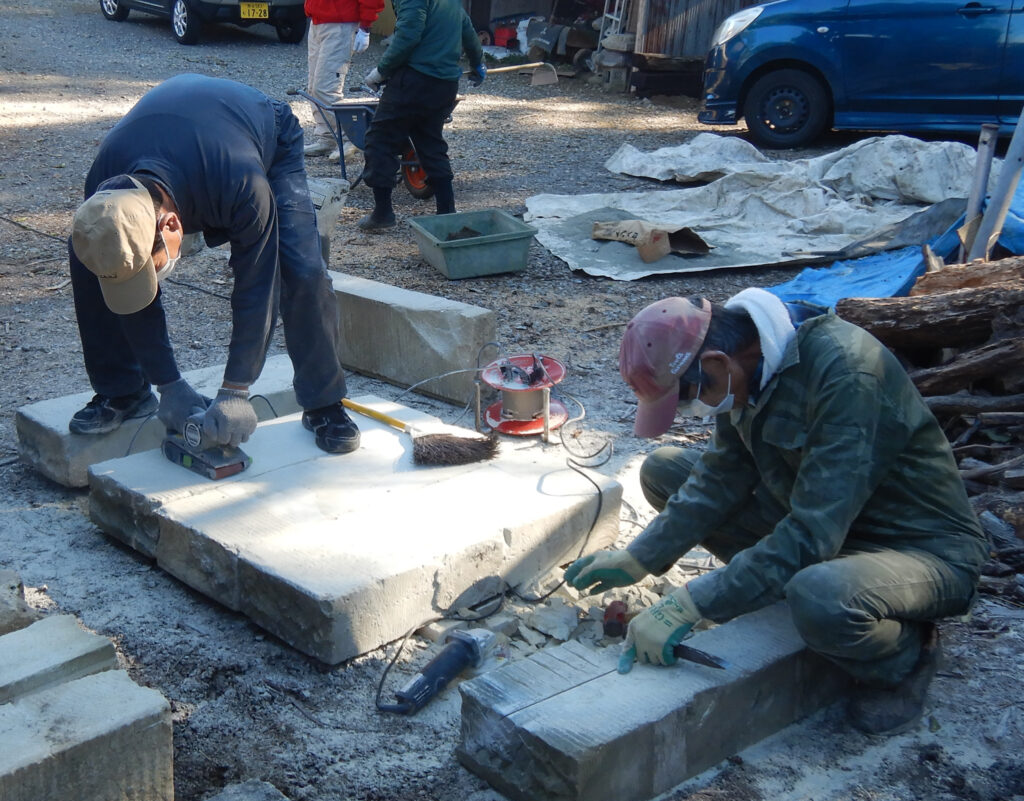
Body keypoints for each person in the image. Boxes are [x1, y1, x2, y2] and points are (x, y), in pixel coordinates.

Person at [565, 289, 988, 735]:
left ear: (717, 363)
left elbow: (812, 533)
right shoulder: (745, 362)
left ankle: (905, 657)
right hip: (830, 525)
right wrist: (641, 556)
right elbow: (720, 475)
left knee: (820, 595)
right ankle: (800, 591)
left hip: (918, 550)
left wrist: (692, 603)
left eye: (688, 397)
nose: (692, 410)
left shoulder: (847, 372)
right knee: (665, 471)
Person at [67, 74, 360, 456]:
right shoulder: (103, 198)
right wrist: (168, 385)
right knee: (95, 258)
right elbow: (124, 269)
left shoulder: (241, 183)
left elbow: (258, 283)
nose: (147, 277)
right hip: (190, 138)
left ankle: (324, 402)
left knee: (301, 268)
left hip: (263, 133)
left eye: (148, 268)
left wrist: (236, 389)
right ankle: (123, 390)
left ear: (172, 225)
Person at [357, 0, 486, 231]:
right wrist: (478, 63)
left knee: (380, 140)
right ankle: (446, 212)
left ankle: (382, 214)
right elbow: (466, 29)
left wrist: (381, 72)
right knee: (430, 142)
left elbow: (409, 34)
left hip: (415, 80)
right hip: (445, 84)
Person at [303, 0, 384, 161]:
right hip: (319, 21)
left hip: (340, 24)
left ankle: (351, 138)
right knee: (313, 88)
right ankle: (328, 137)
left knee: (325, 88)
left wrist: (365, 28)